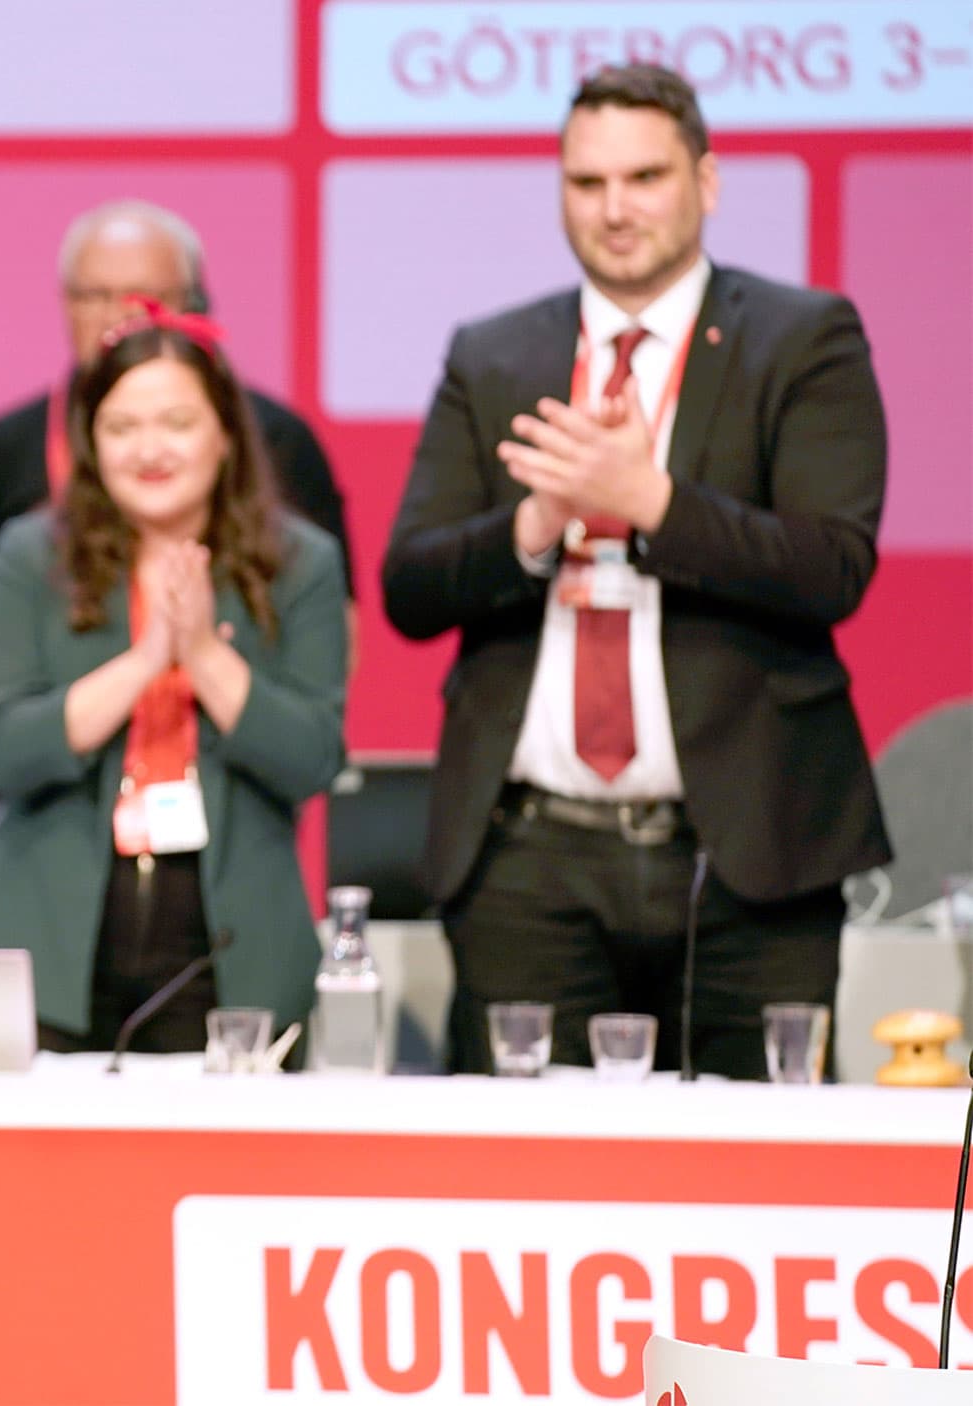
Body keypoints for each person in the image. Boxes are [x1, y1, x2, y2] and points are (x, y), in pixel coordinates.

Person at [380, 64, 889, 1079]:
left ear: (705, 181)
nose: (614, 209)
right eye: (585, 182)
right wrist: (537, 519)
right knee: (524, 1192)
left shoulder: (800, 338)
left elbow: (831, 564)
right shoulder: (493, 353)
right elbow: (409, 582)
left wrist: (646, 499)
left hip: (747, 860)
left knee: (759, 1186)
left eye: (644, 176)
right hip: (530, 860)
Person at [0, 303, 346, 1053]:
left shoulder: (301, 563)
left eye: (176, 422)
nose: (150, 449)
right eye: (121, 427)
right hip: (50, 936)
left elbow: (311, 759)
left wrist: (201, 652)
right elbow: (6, 750)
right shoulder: (34, 556)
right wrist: (144, 661)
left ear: (226, 433)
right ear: (90, 444)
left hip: (224, 946)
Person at [0, 199, 353, 757]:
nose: (120, 314)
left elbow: (329, 644)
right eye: (93, 296)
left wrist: (209, 661)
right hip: (63, 798)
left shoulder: (280, 444)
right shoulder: (5, 467)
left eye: (146, 294)